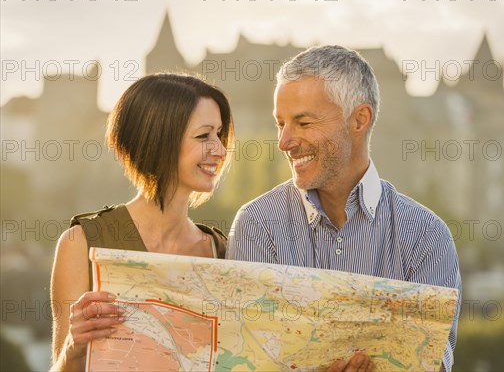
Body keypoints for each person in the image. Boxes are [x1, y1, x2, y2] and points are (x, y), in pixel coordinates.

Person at [227, 45, 461, 372]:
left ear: (359, 120)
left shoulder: (427, 236)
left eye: (303, 122)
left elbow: (433, 365)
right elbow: (246, 359)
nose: (284, 141)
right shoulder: (258, 225)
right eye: (280, 123)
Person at [50, 73, 234, 371]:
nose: (220, 150)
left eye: (219, 134)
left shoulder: (223, 251)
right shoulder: (80, 243)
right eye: (204, 136)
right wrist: (74, 346)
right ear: (158, 140)